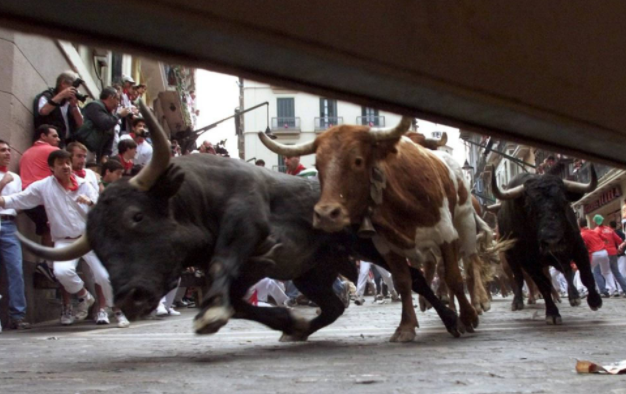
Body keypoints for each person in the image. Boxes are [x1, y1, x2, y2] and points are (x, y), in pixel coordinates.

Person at [0, 150, 129, 327]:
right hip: (64, 240)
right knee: (61, 272)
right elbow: (22, 199)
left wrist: (90, 203)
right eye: (61, 163)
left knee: (103, 276)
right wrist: (3, 201)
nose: (66, 166)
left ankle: (117, 311)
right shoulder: (43, 186)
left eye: (68, 162)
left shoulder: (84, 184)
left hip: (88, 239)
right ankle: (84, 296)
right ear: (52, 168)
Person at [19, 125, 60, 278]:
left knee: (46, 230)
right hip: (42, 199)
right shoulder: (51, 151)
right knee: (52, 229)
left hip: (27, 199)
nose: (58, 139)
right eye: (54, 136)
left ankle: (46, 264)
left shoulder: (27, 152)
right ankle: (47, 265)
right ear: (43, 136)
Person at [0, 140, 31, 330]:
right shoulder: (8, 179)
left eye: (8, 150)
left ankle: (17, 316)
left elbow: (20, 203)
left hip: (10, 225)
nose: (7, 153)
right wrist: (3, 183)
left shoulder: (16, 177)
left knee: (16, 270)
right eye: (2, 150)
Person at [74, 87, 132, 163]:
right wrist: (119, 115)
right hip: (83, 146)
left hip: (95, 152)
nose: (118, 103)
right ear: (111, 97)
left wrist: (106, 154)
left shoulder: (110, 114)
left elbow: (110, 135)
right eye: (117, 99)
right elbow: (104, 124)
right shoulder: (95, 106)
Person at [34, 71, 83, 146]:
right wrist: (62, 95)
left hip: (65, 144)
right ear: (63, 84)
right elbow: (43, 111)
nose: (74, 90)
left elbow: (80, 123)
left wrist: (74, 106)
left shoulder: (70, 102)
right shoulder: (48, 96)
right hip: (48, 143)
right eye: (73, 87)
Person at [594, 214, 626, 297]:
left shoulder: (596, 231)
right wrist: (619, 249)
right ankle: (625, 289)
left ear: (595, 222)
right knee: (616, 272)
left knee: (597, 271)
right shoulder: (609, 230)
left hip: (603, 253)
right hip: (613, 253)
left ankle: (603, 291)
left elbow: (595, 244)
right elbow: (619, 240)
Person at [580, 217, 610, 296]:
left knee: (590, 271)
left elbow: (583, 247)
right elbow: (606, 239)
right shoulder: (595, 231)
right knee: (607, 272)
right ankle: (613, 289)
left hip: (595, 254)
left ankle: (590, 289)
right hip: (605, 252)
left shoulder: (583, 234)